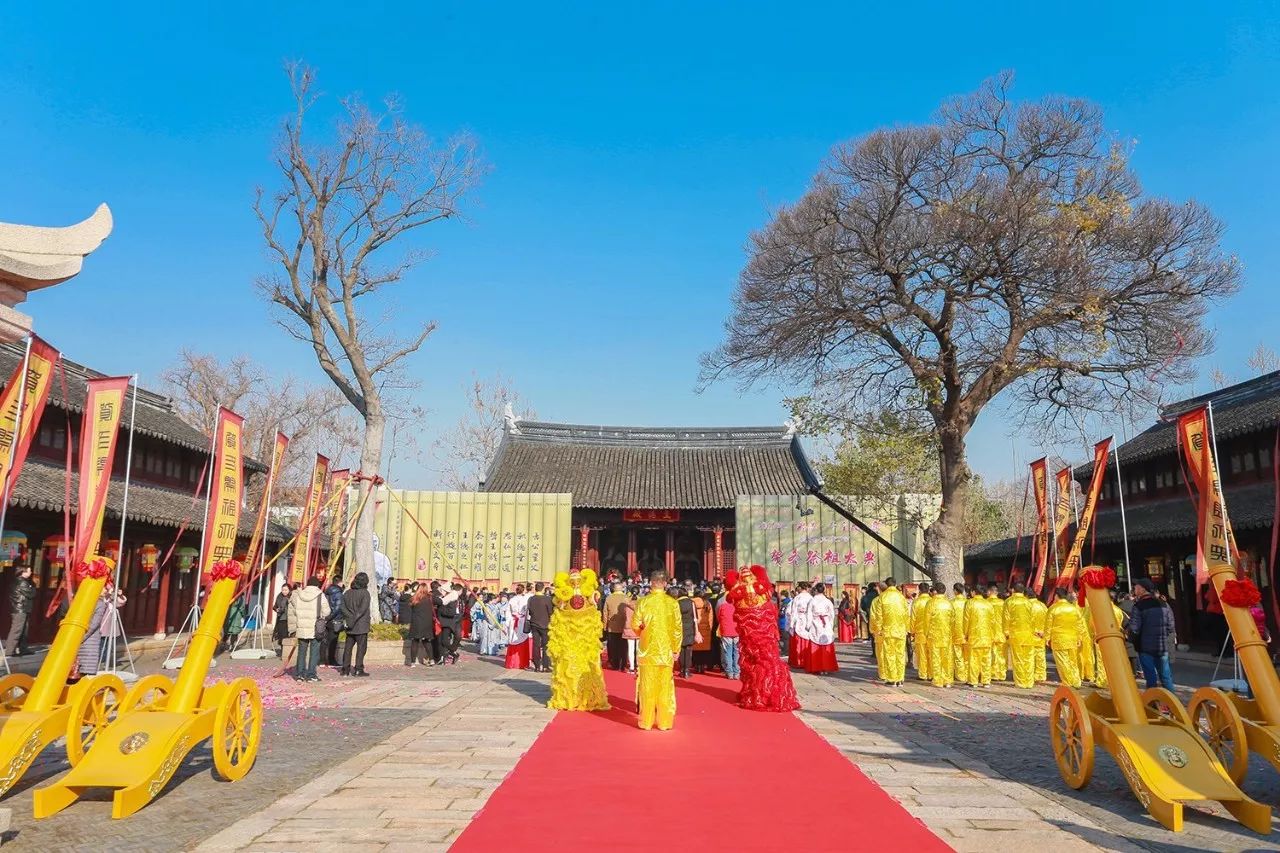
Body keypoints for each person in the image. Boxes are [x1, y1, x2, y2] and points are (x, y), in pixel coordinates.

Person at [728, 565, 800, 711]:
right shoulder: (761, 590)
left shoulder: (738, 590)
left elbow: (731, 599)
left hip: (752, 634)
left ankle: (760, 693)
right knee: (766, 660)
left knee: (757, 661)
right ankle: (767, 692)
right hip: (762, 632)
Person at [546, 568, 610, 711]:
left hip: (584, 635)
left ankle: (586, 697)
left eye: (578, 581)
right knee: (567, 663)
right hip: (568, 635)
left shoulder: (590, 593)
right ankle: (568, 697)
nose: (575, 583)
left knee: (587, 664)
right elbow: (559, 609)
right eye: (572, 581)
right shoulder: (563, 595)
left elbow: (594, 606)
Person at [633, 572, 682, 730]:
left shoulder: (643, 602)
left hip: (648, 651)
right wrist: (676, 648)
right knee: (665, 687)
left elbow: (635, 626)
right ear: (665, 583)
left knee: (647, 687)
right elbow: (677, 629)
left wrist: (644, 633)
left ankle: (646, 721)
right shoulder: (672, 603)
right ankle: (664, 722)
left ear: (651, 583)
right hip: (666, 651)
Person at [1129, 578, 1175, 691]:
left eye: (1136, 586)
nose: (1134, 588)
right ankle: (1172, 703)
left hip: (1145, 647)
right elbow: (1171, 626)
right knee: (1166, 677)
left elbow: (1134, 628)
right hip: (1162, 645)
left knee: (1151, 678)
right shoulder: (1164, 604)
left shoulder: (1138, 606)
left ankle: (1153, 703)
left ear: (1142, 589)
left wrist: (1132, 640)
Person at [287, 577, 330, 682]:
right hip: (315, 628)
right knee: (314, 652)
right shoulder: (320, 595)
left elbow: (294, 608)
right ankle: (311, 675)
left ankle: (300, 674)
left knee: (302, 652)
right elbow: (327, 611)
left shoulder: (299, 595)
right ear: (317, 585)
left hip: (302, 627)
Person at [869, 578, 908, 685]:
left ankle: (892, 678)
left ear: (887, 584)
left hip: (888, 631)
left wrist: (878, 629)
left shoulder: (882, 597)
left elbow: (878, 616)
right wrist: (907, 628)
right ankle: (900, 678)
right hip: (901, 631)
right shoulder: (901, 597)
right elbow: (906, 614)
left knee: (890, 654)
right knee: (900, 654)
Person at [1047, 587, 1087, 688]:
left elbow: (1048, 625)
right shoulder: (1073, 608)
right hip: (1072, 639)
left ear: (1056, 596)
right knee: (1072, 661)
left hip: (1059, 639)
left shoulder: (1053, 608)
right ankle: (1076, 681)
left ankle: (1068, 682)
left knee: (1062, 662)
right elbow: (1080, 625)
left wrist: (1047, 638)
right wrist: (1079, 638)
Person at [1002, 583, 1036, 689]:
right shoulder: (1028, 602)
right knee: (1029, 658)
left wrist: (1006, 632)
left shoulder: (1009, 601)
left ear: (1013, 590)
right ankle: (1029, 682)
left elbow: (1006, 618)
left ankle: (1021, 682)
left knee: (1018, 659)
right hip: (1028, 634)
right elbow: (1033, 618)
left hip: (1015, 634)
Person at [340, 572, 372, 677]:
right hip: (361, 625)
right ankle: (358, 669)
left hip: (350, 624)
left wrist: (349, 617)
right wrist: (354, 618)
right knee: (361, 648)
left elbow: (342, 607)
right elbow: (362, 610)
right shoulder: (365, 593)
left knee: (348, 647)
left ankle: (345, 669)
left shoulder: (347, 593)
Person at [805, 582, 839, 674]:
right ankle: (827, 667)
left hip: (815, 622)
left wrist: (808, 625)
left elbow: (809, 614)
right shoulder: (827, 601)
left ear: (816, 590)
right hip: (826, 623)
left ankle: (817, 667)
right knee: (826, 644)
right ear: (824, 590)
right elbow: (832, 614)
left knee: (816, 643)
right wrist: (831, 625)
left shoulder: (812, 601)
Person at [964, 588, 994, 688]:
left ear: (973, 592)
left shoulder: (970, 603)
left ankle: (973, 681)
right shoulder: (988, 604)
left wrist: (965, 633)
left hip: (974, 635)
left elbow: (966, 620)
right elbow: (992, 621)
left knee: (973, 659)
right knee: (986, 659)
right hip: (987, 636)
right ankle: (986, 681)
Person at [925, 582, 953, 687]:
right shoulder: (949, 604)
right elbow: (952, 620)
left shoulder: (931, 603)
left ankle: (938, 680)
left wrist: (926, 633)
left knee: (936, 657)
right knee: (947, 658)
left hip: (934, 635)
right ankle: (947, 680)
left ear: (935, 591)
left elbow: (926, 621)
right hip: (947, 635)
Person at [5, 565, 36, 656]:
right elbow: (31, 594)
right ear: (23, 572)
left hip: (21, 608)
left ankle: (23, 649)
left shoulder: (20, 581)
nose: (30, 573)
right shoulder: (22, 582)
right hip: (20, 609)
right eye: (29, 571)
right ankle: (10, 651)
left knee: (23, 630)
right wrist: (33, 587)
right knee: (17, 630)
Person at [526, 580, 554, 672]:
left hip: (534, 624)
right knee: (545, 645)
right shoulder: (547, 599)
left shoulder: (531, 599)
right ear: (542, 589)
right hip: (545, 624)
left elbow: (529, 611)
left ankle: (537, 666)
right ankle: (545, 666)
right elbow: (550, 612)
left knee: (536, 645)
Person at [406, 582, 436, 666]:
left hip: (416, 623)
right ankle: (432, 659)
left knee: (415, 642)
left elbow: (410, 609)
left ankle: (412, 662)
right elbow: (440, 602)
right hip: (427, 623)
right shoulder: (430, 598)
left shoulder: (414, 598)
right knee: (427, 641)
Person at [504, 584, 533, 669]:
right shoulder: (525, 599)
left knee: (513, 639)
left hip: (513, 621)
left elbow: (507, 612)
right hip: (522, 621)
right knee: (522, 639)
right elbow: (528, 612)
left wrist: (508, 622)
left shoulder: (512, 600)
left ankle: (512, 663)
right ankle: (522, 663)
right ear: (523, 590)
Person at [787, 581, 812, 669]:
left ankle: (797, 661)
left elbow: (793, 611)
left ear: (800, 588)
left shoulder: (797, 598)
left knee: (797, 639)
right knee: (807, 639)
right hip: (807, 619)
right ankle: (806, 660)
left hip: (798, 619)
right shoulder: (810, 597)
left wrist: (791, 623)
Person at [437, 583, 463, 665]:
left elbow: (452, 611)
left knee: (456, 637)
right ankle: (452, 653)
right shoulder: (447, 598)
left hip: (454, 621)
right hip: (446, 622)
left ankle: (451, 652)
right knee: (444, 641)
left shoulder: (455, 599)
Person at [716, 588, 740, 679]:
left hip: (726, 631)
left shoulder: (722, 606)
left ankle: (729, 672)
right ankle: (737, 672)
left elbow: (719, 617)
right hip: (737, 631)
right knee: (736, 652)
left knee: (727, 652)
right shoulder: (737, 607)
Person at [676, 582, 698, 678]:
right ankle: (687, 670)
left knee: (681, 649)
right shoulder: (691, 603)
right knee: (688, 650)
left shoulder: (676, 604)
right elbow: (695, 617)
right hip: (690, 628)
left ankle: (681, 669)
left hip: (680, 628)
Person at [911, 584, 932, 681]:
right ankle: (931, 673)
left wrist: (911, 631)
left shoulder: (917, 602)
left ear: (919, 590)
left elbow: (913, 618)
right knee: (931, 654)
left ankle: (923, 674)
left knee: (922, 654)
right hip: (932, 632)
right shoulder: (932, 601)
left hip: (920, 632)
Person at [987, 584, 1008, 681]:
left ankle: (992, 673)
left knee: (991, 654)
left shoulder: (986, 603)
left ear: (990, 592)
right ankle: (1001, 674)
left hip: (989, 632)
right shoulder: (1003, 603)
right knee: (1002, 654)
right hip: (1001, 632)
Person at [691, 587, 714, 673]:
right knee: (704, 649)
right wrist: (710, 628)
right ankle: (702, 666)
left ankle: (696, 666)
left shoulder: (692, 602)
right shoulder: (707, 603)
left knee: (696, 649)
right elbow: (711, 618)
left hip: (696, 628)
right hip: (706, 628)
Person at [323, 578, 345, 666]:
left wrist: (326, 617)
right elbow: (337, 608)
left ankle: (322, 659)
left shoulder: (327, 591)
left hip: (327, 618)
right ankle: (331, 660)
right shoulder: (338, 593)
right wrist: (330, 617)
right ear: (340, 582)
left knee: (325, 640)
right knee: (333, 641)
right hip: (334, 619)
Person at [951, 583, 969, 685]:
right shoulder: (968, 602)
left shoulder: (951, 603)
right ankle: (966, 674)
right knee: (967, 656)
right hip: (967, 633)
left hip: (956, 633)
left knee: (958, 655)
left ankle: (960, 675)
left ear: (955, 591)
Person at [1029, 590, 1049, 684]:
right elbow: (1047, 619)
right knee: (1040, 656)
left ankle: (1031, 675)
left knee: (1030, 656)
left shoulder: (1027, 605)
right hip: (1041, 635)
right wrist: (1044, 632)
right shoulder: (1042, 605)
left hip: (1030, 635)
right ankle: (1041, 675)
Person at [621, 588, 640, 673]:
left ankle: (632, 666)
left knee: (631, 648)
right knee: (639, 648)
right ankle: (638, 665)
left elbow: (624, 614)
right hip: (639, 627)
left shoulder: (626, 603)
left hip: (629, 626)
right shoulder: (641, 603)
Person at [272, 583, 292, 657]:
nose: (284, 591)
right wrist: (276, 609)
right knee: (281, 636)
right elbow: (274, 606)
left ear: (289, 590)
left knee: (286, 636)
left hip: (289, 619)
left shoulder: (291, 597)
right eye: (283, 590)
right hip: (281, 619)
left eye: (286, 590)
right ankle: (282, 650)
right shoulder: (279, 596)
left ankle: (286, 652)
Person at [859, 582, 879, 651]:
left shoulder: (865, 597)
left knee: (873, 635)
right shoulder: (878, 596)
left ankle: (874, 651)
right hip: (879, 617)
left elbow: (862, 607)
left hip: (870, 616)